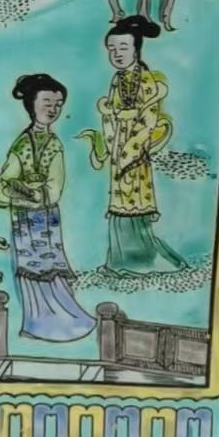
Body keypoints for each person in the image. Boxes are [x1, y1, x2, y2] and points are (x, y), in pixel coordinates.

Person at [0, 75, 96, 343]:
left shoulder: (54, 143)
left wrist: (26, 192)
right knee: (27, 267)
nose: (53, 109)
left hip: (45, 217)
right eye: (47, 102)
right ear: (31, 105)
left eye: (58, 104)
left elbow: (55, 186)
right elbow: (7, 177)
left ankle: (66, 321)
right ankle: (36, 324)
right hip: (22, 217)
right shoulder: (22, 142)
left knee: (49, 266)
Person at [80, 15, 186, 271]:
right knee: (119, 201)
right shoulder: (117, 80)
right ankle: (120, 261)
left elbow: (149, 118)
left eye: (123, 48)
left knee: (135, 199)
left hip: (135, 150)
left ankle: (143, 260)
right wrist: (110, 119)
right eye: (112, 49)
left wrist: (131, 150)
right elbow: (112, 114)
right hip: (119, 147)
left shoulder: (147, 81)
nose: (117, 54)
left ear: (136, 50)